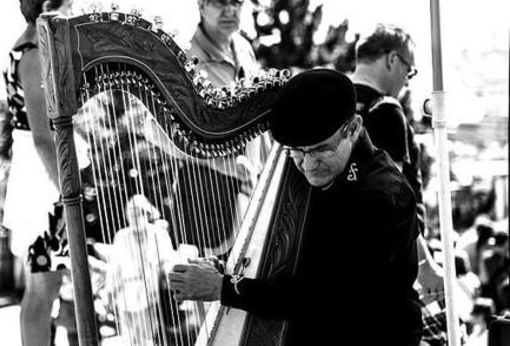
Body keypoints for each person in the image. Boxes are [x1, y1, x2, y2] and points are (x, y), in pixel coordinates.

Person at [169, 69, 423, 346]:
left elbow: (322, 296)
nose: (307, 164)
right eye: (296, 152)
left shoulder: (380, 195)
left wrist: (223, 288)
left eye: (319, 150)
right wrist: (225, 264)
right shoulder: (323, 173)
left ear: (353, 128)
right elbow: (282, 247)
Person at [350, 24, 448, 345]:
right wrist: (425, 264)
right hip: (390, 268)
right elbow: (393, 201)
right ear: (393, 59)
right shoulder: (387, 110)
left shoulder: (334, 103)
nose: (408, 79)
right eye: (409, 69)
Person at [0, 0, 76, 346]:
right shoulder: (32, 56)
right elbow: (42, 137)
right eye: (67, 9)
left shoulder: (28, 49)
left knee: (44, 286)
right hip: (41, 183)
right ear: (47, 8)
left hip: (38, 176)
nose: (71, 17)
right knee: (41, 290)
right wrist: (68, 188)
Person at [175, 0, 270, 256]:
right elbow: (157, 132)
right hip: (208, 200)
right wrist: (224, 164)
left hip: (254, 192)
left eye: (236, 1)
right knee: (216, 294)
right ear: (201, 5)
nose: (230, 9)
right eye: (219, 1)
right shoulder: (184, 56)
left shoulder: (243, 47)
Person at [104, 194, 177, 346]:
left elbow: (169, 261)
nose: (134, 219)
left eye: (138, 214)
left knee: (146, 339)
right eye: (131, 215)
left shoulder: (158, 234)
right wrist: (109, 293)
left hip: (150, 295)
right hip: (125, 297)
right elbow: (113, 268)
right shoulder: (121, 236)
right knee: (130, 340)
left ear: (146, 214)